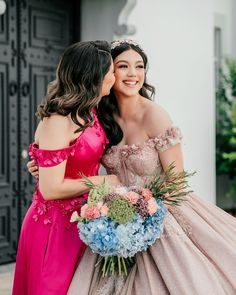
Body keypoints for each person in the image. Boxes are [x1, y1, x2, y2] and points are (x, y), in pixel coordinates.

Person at [28, 40, 236, 295]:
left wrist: (144, 211)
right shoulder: (98, 114)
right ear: (107, 74)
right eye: (122, 66)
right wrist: (42, 164)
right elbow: (74, 151)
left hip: (160, 211)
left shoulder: (155, 115)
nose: (132, 74)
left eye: (139, 67)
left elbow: (177, 182)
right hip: (113, 213)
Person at [12, 40, 121, 295]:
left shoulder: (90, 111)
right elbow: (51, 189)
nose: (114, 77)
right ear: (94, 76)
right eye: (111, 71)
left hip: (84, 221)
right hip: (55, 228)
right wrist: (103, 181)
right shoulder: (59, 120)